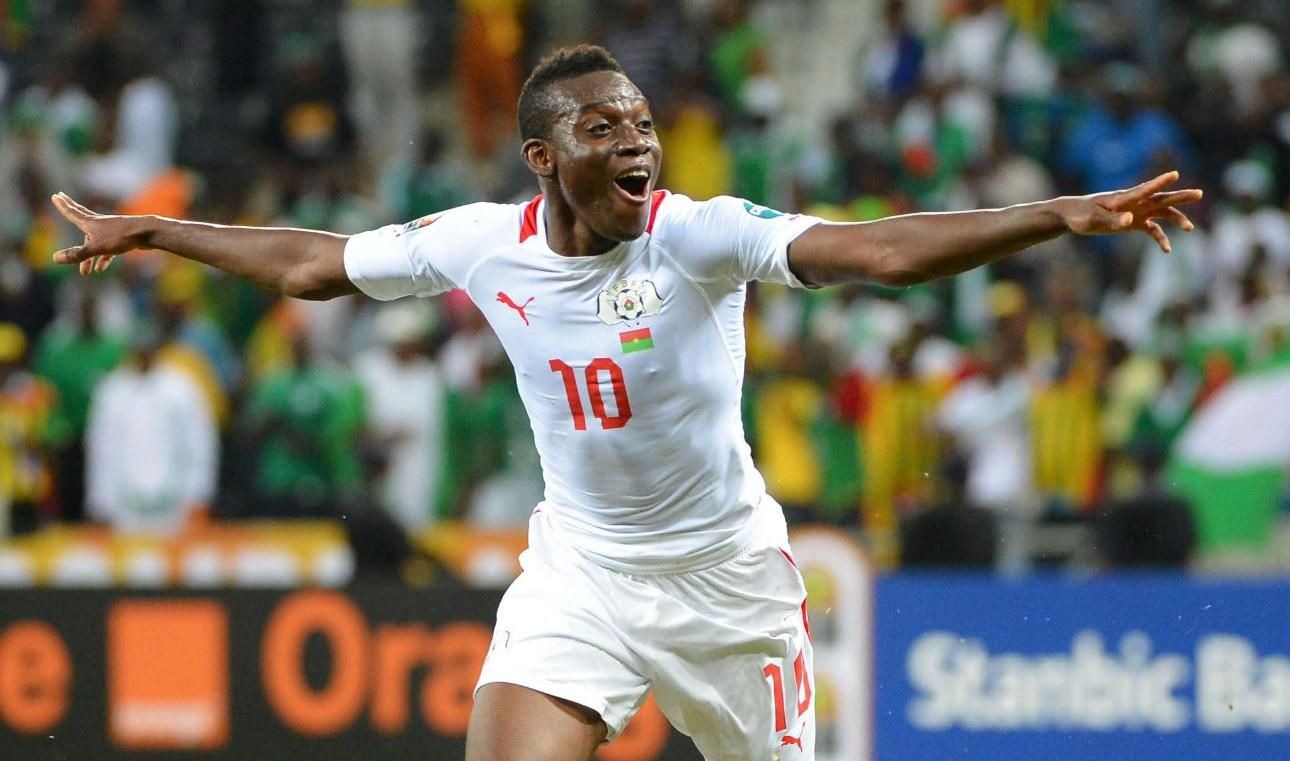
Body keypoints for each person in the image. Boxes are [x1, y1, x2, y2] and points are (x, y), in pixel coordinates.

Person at [50, 44, 1200, 761]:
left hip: (728, 579)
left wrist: (1058, 214)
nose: (636, 141)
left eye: (641, 122)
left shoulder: (698, 235)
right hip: (584, 570)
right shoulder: (482, 242)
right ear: (542, 158)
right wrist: (153, 228)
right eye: (602, 127)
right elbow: (314, 264)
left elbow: (881, 252)